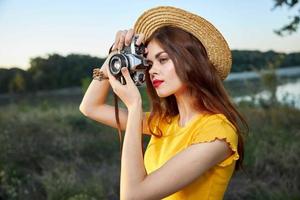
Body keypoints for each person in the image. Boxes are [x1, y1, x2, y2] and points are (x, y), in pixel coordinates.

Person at [79, 6, 248, 200]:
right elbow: (90, 107)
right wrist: (116, 55)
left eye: (163, 59)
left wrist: (135, 108)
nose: (152, 71)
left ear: (191, 61)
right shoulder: (165, 122)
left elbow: (132, 196)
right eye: (149, 63)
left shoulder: (217, 133)